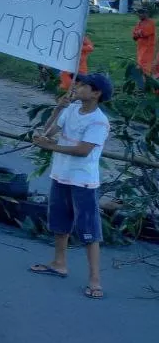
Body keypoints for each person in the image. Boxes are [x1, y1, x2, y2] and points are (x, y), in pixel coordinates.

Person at [29, 72, 113, 299]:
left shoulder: (99, 121)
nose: (76, 87)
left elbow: (82, 150)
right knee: (59, 221)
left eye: (83, 85)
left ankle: (95, 280)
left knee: (89, 229)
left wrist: (50, 147)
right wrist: (58, 109)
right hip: (61, 175)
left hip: (83, 181)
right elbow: (50, 131)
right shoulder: (71, 109)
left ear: (96, 93)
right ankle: (59, 262)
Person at [133, 9, 155, 77]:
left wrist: (138, 33)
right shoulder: (138, 23)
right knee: (140, 65)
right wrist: (138, 33)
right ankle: (141, 84)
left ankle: (146, 84)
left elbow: (144, 33)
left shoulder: (150, 23)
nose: (140, 15)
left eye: (142, 13)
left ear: (146, 14)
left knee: (145, 67)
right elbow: (134, 36)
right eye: (139, 13)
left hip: (148, 49)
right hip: (140, 48)